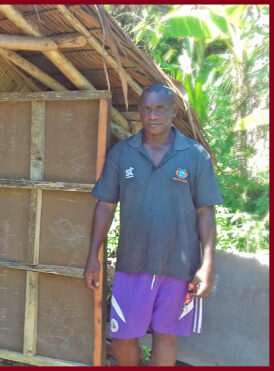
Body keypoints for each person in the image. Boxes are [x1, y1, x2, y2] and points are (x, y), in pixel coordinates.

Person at [84, 84, 223, 366]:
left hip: (179, 266)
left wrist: (207, 265)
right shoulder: (123, 153)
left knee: (166, 335)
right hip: (132, 263)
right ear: (140, 113)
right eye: (147, 109)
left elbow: (205, 212)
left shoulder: (194, 155)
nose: (152, 115)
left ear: (173, 111)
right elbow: (105, 206)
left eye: (160, 108)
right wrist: (93, 257)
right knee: (122, 335)